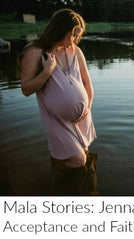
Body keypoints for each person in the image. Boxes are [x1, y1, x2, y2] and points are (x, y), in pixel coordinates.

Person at [18, 8, 96, 169]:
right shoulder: (35, 53)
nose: (75, 39)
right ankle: (55, 174)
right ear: (60, 30)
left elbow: (87, 83)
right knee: (78, 160)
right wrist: (47, 71)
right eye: (73, 34)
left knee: (85, 154)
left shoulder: (76, 52)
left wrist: (87, 108)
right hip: (57, 121)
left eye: (78, 35)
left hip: (83, 118)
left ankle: (81, 188)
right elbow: (25, 89)